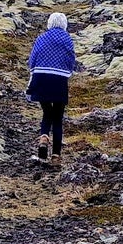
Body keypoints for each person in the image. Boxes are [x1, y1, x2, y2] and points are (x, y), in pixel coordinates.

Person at [26, 12, 76, 163]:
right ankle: (56, 155)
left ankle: (43, 138)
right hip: (59, 80)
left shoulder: (41, 38)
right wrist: (67, 73)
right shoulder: (67, 39)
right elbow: (71, 61)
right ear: (64, 24)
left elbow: (32, 60)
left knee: (47, 112)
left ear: (49, 23)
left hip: (41, 78)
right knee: (58, 117)